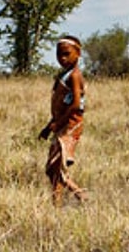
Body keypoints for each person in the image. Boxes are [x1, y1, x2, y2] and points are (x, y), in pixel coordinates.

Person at [38, 36, 88, 205]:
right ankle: (63, 201)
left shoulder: (74, 76)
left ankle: (75, 196)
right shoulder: (64, 75)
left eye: (67, 54)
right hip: (63, 124)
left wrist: (58, 124)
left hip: (71, 125)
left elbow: (75, 104)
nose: (62, 58)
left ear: (78, 54)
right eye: (59, 54)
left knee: (55, 166)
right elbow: (63, 105)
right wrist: (48, 127)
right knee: (53, 168)